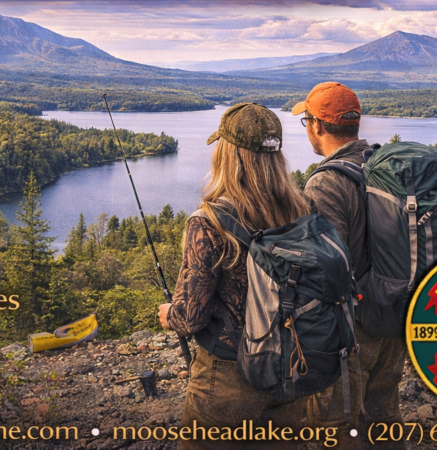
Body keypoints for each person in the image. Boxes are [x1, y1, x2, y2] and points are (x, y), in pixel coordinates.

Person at [158, 103, 312, 450]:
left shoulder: (210, 222)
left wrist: (170, 315)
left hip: (229, 374)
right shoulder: (303, 211)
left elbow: (190, 318)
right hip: (292, 366)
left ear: (228, 154)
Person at [293, 82, 405, 449]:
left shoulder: (326, 183)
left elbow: (325, 268)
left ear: (317, 126)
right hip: (393, 312)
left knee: (335, 427)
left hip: (351, 330)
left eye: (306, 120)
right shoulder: (383, 165)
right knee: (383, 414)